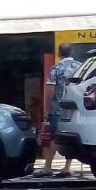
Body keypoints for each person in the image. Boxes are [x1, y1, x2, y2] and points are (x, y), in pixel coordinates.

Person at [34, 46, 82, 177]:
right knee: (70, 137)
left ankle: (47, 167)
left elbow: (50, 90)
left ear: (59, 53)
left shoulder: (56, 68)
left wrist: (46, 109)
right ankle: (67, 167)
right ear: (72, 52)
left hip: (57, 108)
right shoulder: (80, 67)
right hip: (75, 108)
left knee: (53, 138)